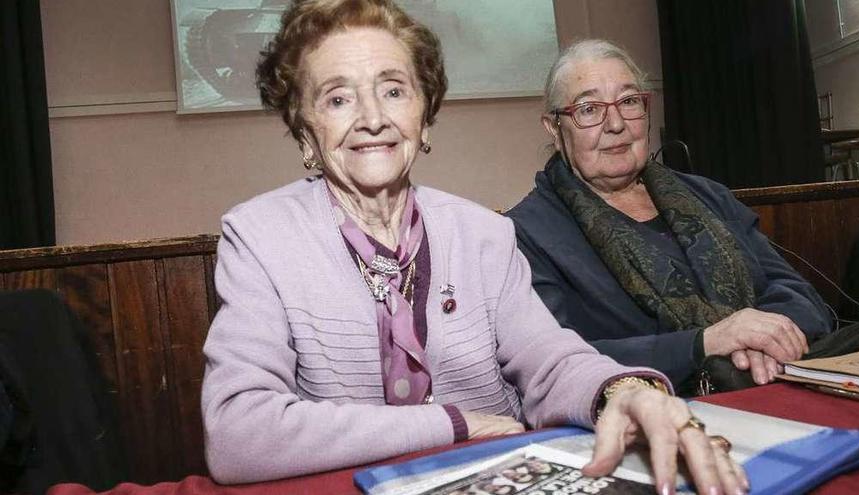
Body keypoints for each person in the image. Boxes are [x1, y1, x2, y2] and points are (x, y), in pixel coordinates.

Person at [200, 3, 747, 494]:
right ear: (304, 132)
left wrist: (623, 389)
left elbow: (549, 360)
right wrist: (454, 424)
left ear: (425, 112)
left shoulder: (483, 232)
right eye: (338, 98)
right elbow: (238, 433)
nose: (373, 118)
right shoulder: (261, 237)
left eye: (394, 89)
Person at [506, 39, 833, 394]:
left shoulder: (708, 196)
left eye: (629, 101)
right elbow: (555, 361)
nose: (615, 123)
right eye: (589, 109)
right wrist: (704, 344)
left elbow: (799, 294)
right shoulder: (527, 234)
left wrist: (760, 340)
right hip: (656, 415)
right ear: (554, 129)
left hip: (776, 383)